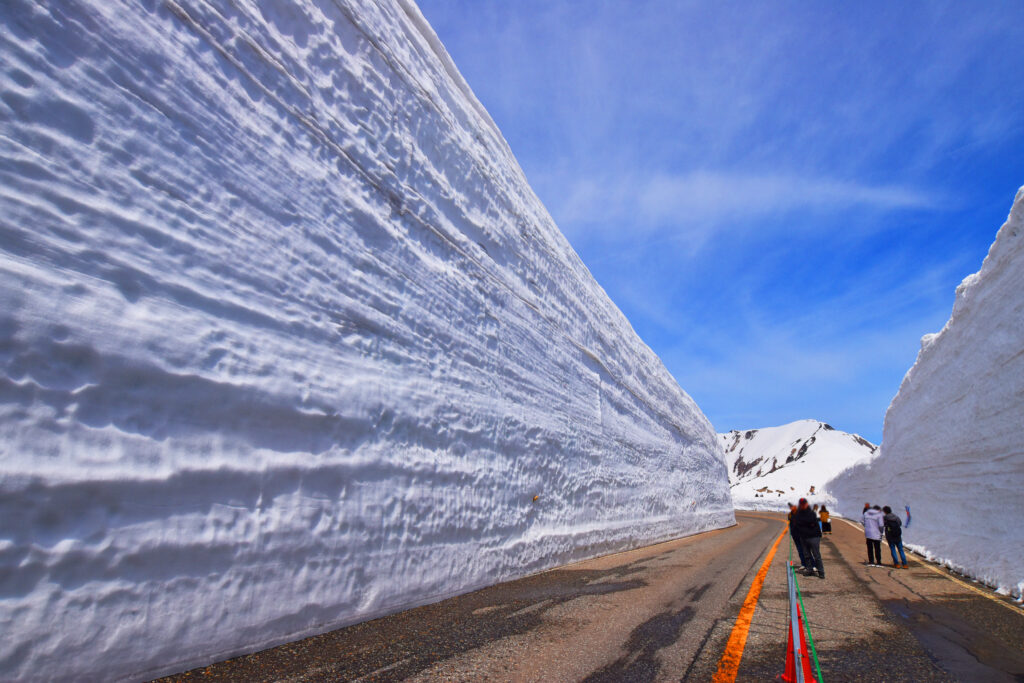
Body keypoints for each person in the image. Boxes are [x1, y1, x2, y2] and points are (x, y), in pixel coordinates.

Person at [792, 498, 825, 578]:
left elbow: (810, 522)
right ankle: (809, 569)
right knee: (806, 555)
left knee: (816, 555)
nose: (803, 505)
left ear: (807, 504)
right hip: (804, 537)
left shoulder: (811, 513)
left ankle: (821, 572)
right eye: (801, 504)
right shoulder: (799, 513)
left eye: (804, 504)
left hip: (814, 537)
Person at [788, 503, 810, 569]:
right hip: (795, 535)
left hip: (801, 535)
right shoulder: (790, 515)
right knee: (800, 550)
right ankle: (803, 563)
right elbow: (790, 524)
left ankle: (810, 564)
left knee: (805, 550)